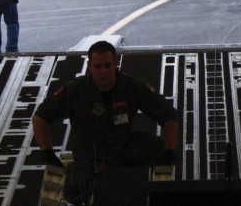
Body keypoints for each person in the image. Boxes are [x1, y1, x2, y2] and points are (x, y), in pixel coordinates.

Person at [32, 40, 179, 205]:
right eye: (98, 67)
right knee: (82, 192)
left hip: (122, 147)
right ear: (89, 66)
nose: (103, 72)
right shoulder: (76, 90)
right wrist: (48, 154)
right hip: (89, 153)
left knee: (159, 148)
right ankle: (77, 174)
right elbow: (40, 118)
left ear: (116, 64)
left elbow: (169, 116)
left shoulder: (131, 87)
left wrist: (168, 152)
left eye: (108, 66)